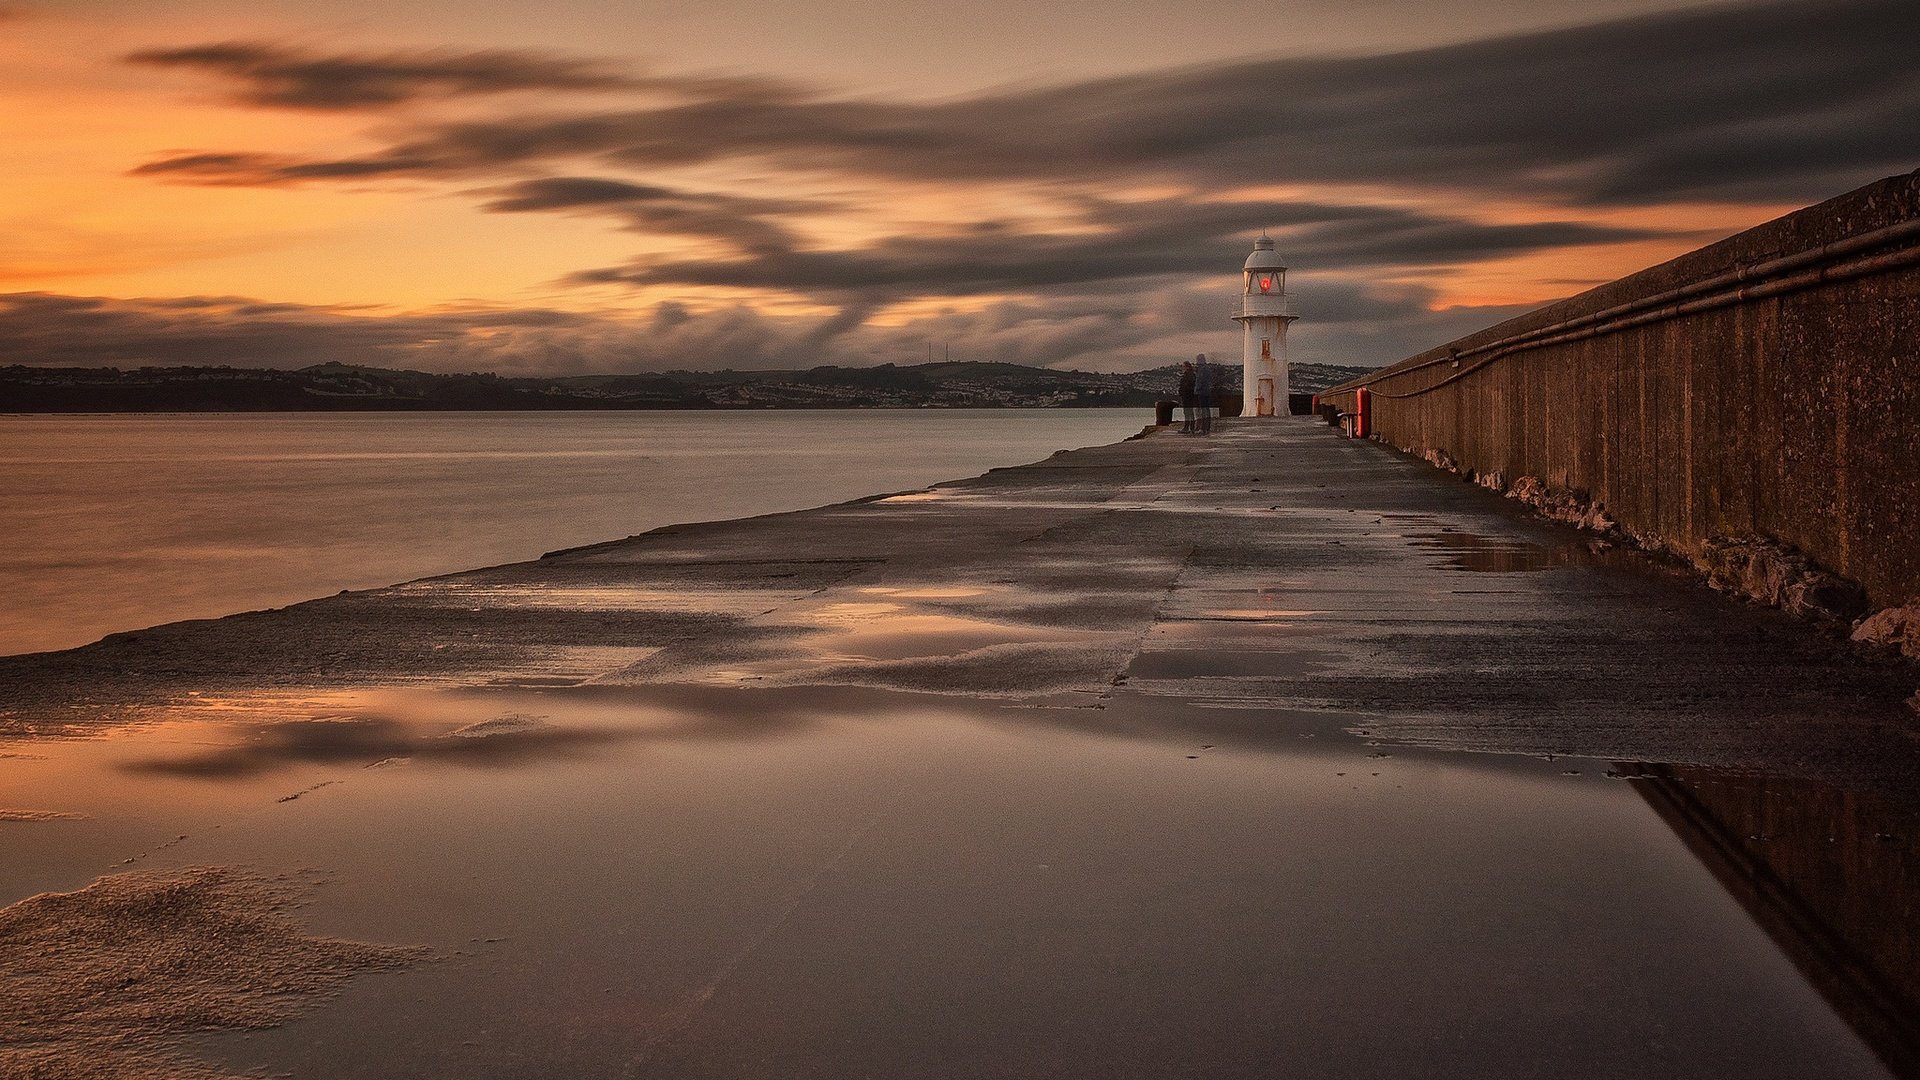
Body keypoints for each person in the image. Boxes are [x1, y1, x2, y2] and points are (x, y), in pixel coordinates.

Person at [1194, 354, 1214, 435]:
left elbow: (1200, 381)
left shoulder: (1202, 370)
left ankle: (1203, 428)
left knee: (1203, 410)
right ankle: (1207, 427)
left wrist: (1196, 389)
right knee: (1206, 410)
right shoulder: (1207, 369)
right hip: (1207, 391)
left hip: (1202, 392)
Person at [1177, 360, 1197, 434]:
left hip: (1187, 396)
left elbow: (1185, 386)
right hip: (1189, 396)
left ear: (1186, 367)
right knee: (1190, 412)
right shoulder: (1192, 375)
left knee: (1187, 412)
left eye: (1183, 366)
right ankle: (1191, 427)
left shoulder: (1188, 375)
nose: (1182, 368)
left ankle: (1187, 427)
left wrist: (1182, 392)